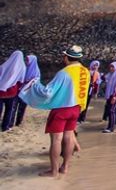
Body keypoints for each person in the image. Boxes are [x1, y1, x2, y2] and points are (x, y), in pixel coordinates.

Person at [19, 45, 90, 178]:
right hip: (76, 108)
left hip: (62, 109)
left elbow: (48, 92)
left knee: (56, 139)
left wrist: (35, 84)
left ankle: (54, 171)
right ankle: (65, 167)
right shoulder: (85, 71)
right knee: (68, 137)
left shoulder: (64, 73)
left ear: (67, 57)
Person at [0, 50, 26, 132]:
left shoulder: (4, 66)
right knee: (9, 110)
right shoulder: (22, 67)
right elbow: (21, 81)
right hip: (12, 92)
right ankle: (5, 127)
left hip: (1, 91)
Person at [15, 54, 40, 126]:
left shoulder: (36, 71)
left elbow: (36, 81)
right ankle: (13, 121)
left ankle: (18, 121)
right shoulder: (24, 68)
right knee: (15, 106)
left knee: (22, 107)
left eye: (28, 60)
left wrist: (28, 82)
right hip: (19, 89)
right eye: (26, 60)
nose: (26, 61)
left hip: (27, 91)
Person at [102, 61, 116, 133]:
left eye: (112, 67)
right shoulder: (111, 74)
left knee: (112, 111)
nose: (111, 68)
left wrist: (115, 97)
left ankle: (111, 128)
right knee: (110, 110)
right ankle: (109, 126)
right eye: (110, 67)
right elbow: (104, 78)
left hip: (115, 96)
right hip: (110, 95)